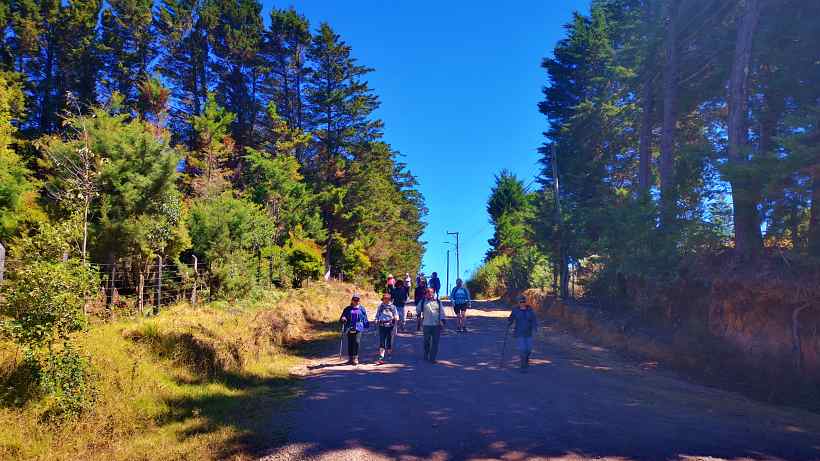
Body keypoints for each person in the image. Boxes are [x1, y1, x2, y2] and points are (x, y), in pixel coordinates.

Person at [508, 294, 538, 372]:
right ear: (518, 302)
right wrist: (509, 321)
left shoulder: (530, 310)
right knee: (522, 349)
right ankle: (523, 365)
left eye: (523, 301)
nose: (522, 303)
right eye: (520, 301)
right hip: (519, 332)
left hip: (528, 332)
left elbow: (534, 319)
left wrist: (535, 328)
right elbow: (511, 318)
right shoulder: (515, 310)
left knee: (529, 349)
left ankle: (526, 359)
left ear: (526, 302)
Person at [339, 293, 369, 365]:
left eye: (357, 300)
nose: (356, 301)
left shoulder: (362, 308)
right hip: (349, 327)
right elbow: (342, 317)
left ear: (359, 301)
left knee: (356, 342)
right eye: (354, 300)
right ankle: (350, 359)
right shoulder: (347, 309)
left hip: (358, 327)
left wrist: (366, 325)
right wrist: (343, 318)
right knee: (350, 343)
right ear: (352, 300)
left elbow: (365, 317)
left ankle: (355, 358)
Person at [417, 288, 446, 363]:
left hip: (436, 325)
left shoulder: (438, 302)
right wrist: (418, 322)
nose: (429, 294)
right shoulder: (423, 301)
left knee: (435, 342)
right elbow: (418, 310)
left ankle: (432, 358)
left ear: (433, 293)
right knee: (426, 341)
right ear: (426, 294)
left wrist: (443, 321)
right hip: (426, 325)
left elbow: (442, 312)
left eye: (431, 292)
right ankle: (426, 353)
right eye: (428, 292)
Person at [374, 293, 398, 364]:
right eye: (384, 299)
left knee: (389, 340)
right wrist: (376, 319)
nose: (385, 300)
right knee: (382, 340)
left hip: (390, 325)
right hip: (382, 325)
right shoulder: (381, 306)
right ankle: (381, 356)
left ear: (389, 299)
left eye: (386, 299)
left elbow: (396, 315)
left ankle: (389, 353)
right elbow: (378, 314)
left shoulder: (393, 307)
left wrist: (396, 318)